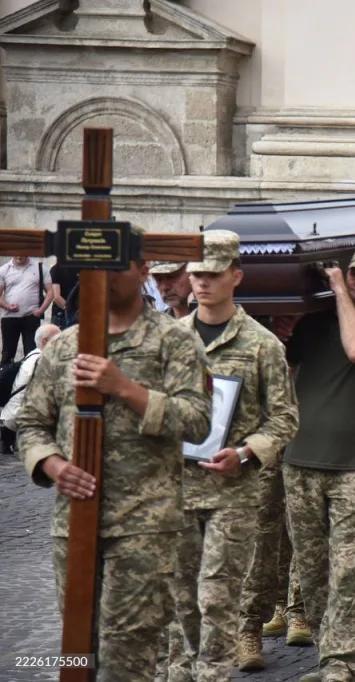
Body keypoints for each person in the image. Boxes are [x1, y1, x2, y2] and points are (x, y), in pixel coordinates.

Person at [16, 246, 213, 680]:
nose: (104, 277)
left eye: (116, 266)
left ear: (142, 270)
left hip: (144, 525)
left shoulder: (175, 340)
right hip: (76, 523)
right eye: (95, 268)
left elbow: (198, 421)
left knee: (127, 656)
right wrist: (51, 465)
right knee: (76, 651)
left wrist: (127, 389)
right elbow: (29, 423)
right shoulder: (66, 345)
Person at [161, 231, 299, 679]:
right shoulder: (169, 339)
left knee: (218, 597)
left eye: (213, 275)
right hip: (176, 488)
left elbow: (284, 419)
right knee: (181, 598)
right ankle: (188, 669)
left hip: (231, 491)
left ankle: (212, 675)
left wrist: (245, 452)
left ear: (235, 276)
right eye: (197, 274)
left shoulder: (262, 345)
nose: (202, 283)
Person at [277, 246, 355, 682]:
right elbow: (278, 363)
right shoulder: (313, 325)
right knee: (312, 572)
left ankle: (341, 664)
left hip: (354, 468)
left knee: (349, 570)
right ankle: (326, 653)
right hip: (299, 462)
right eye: (351, 274)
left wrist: (336, 292)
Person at [0, 323, 61, 453]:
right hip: (18, 416)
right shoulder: (42, 360)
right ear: (45, 340)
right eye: (59, 338)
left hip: (11, 413)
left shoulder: (33, 354)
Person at [0, 255, 54, 367]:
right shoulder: (4, 269)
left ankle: (29, 381)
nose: (19, 256)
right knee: (7, 354)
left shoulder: (39, 267)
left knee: (31, 353)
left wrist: (41, 310)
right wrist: (7, 306)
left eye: (22, 253)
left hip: (31, 318)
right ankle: (4, 381)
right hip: (9, 318)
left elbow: (50, 292)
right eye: (17, 254)